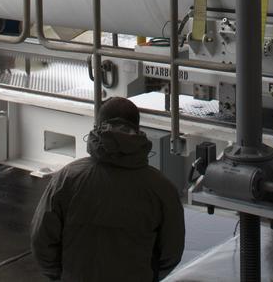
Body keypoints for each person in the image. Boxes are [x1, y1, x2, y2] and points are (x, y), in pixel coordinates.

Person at [30, 97, 185, 281]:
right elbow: (171, 252)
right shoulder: (161, 188)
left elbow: (41, 239)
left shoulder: (67, 178)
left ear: (97, 127)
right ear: (137, 130)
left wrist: (62, 276)